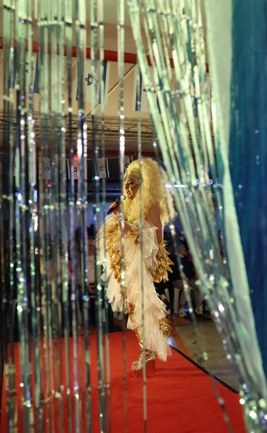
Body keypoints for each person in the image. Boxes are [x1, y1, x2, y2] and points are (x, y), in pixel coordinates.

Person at [98, 158, 175, 377]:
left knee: (142, 307)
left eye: (132, 183)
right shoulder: (129, 207)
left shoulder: (151, 205)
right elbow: (121, 233)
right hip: (128, 262)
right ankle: (146, 352)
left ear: (143, 184)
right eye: (125, 183)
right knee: (133, 308)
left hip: (141, 263)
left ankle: (148, 353)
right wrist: (118, 219)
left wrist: (130, 230)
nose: (127, 188)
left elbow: (157, 237)